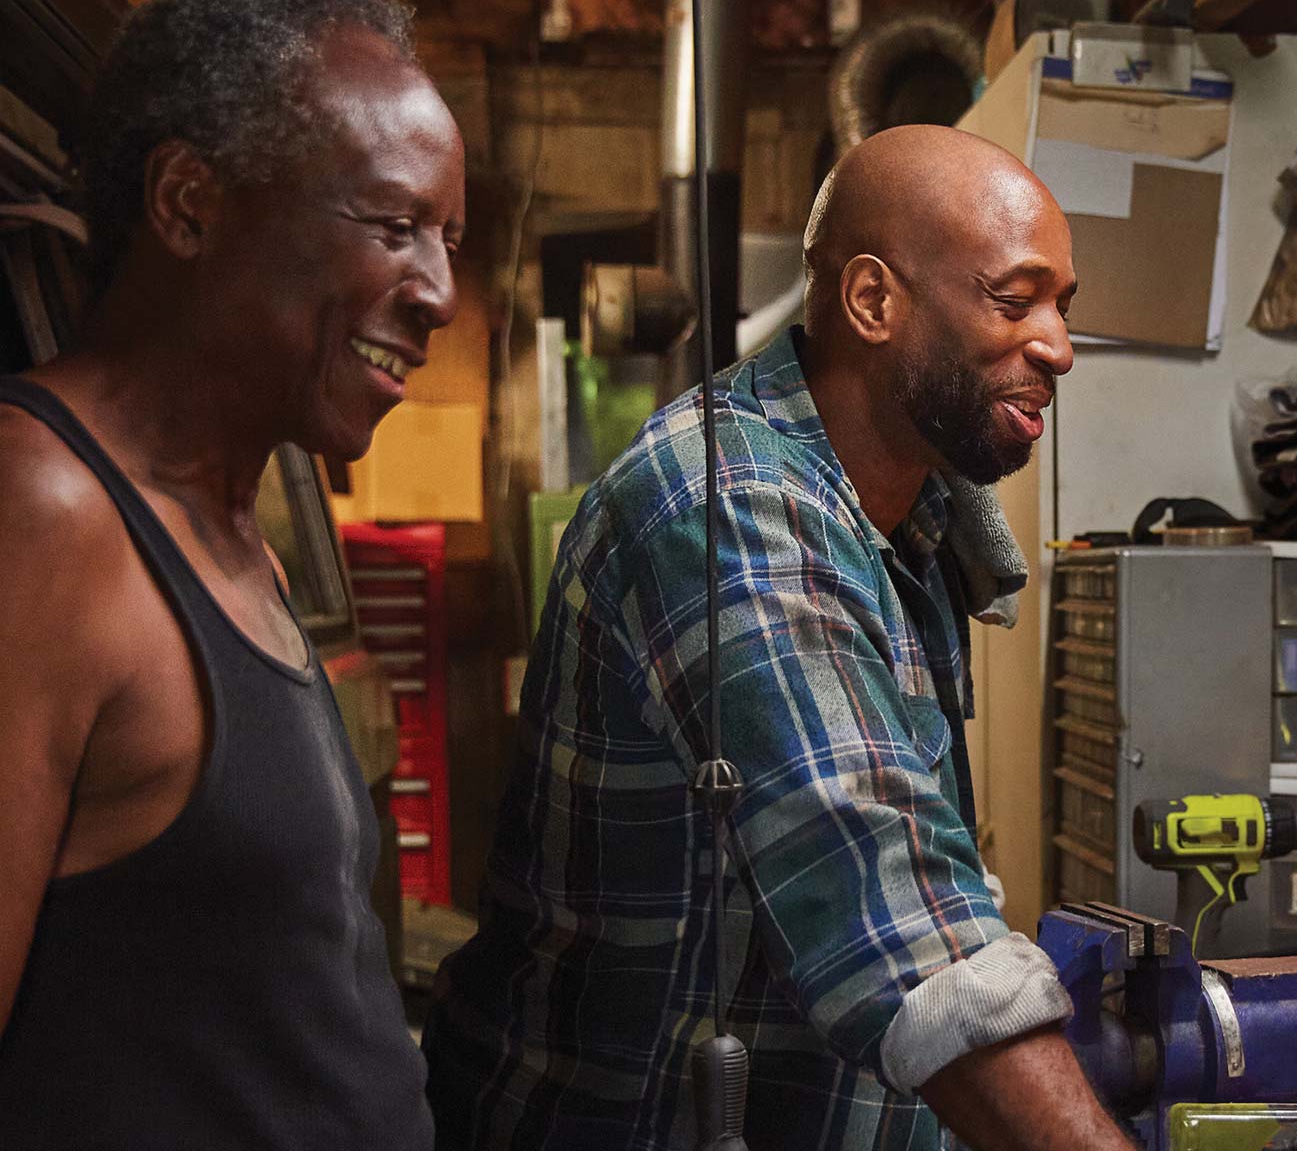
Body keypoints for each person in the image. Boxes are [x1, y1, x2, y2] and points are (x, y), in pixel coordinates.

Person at [424, 124, 1130, 1150]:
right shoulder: (731, 508)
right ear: (873, 302)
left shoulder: (911, 518)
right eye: (1015, 299)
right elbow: (900, 925)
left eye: (1063, 306)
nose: (1057, 346)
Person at [0, 0, 463, 1147]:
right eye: (395, 226)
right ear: (190, 204)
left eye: (448, 239)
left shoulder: (232, 523)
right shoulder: (42, 514)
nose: (442, 295)